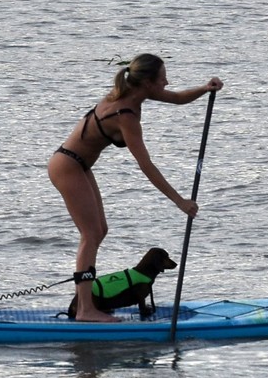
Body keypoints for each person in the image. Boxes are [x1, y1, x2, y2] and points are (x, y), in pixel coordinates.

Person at [48, 54, 223, 322]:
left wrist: (204, 89)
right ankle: (86, 310)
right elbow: (146, 165)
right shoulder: (125, 115)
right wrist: (179, 201)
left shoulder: (131, 92)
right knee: (90, 234)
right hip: (67, 166)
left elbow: (176, 98)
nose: (168, 81)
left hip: (77, 165)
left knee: (99, 231)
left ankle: (89, 303)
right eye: (163, 77)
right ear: (149, 83)